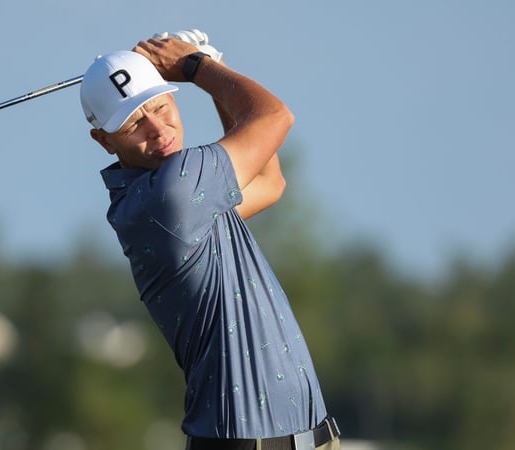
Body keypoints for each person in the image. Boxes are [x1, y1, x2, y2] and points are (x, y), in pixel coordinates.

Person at [80, 33, 341, 450]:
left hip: (310, 438)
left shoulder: (177, 199)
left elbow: (270, 183)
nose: (157, 129)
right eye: (134, 125)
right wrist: (198, 67)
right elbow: (275, 117)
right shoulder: (174, 192)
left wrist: (210, 64)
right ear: (104, 141)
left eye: (162, 106)